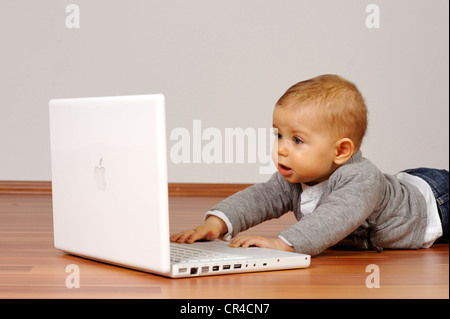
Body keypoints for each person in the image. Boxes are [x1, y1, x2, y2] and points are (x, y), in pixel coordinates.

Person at [170, 74, 449, 256]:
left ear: (340, 151)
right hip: (405, 182)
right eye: (278, 134)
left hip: (435, 204)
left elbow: (333, 218)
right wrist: (217, 223)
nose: (281, 147)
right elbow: (260, 198)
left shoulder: (360, 178)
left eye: (297, 140)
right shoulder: (296, 176)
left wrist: (283, 243)